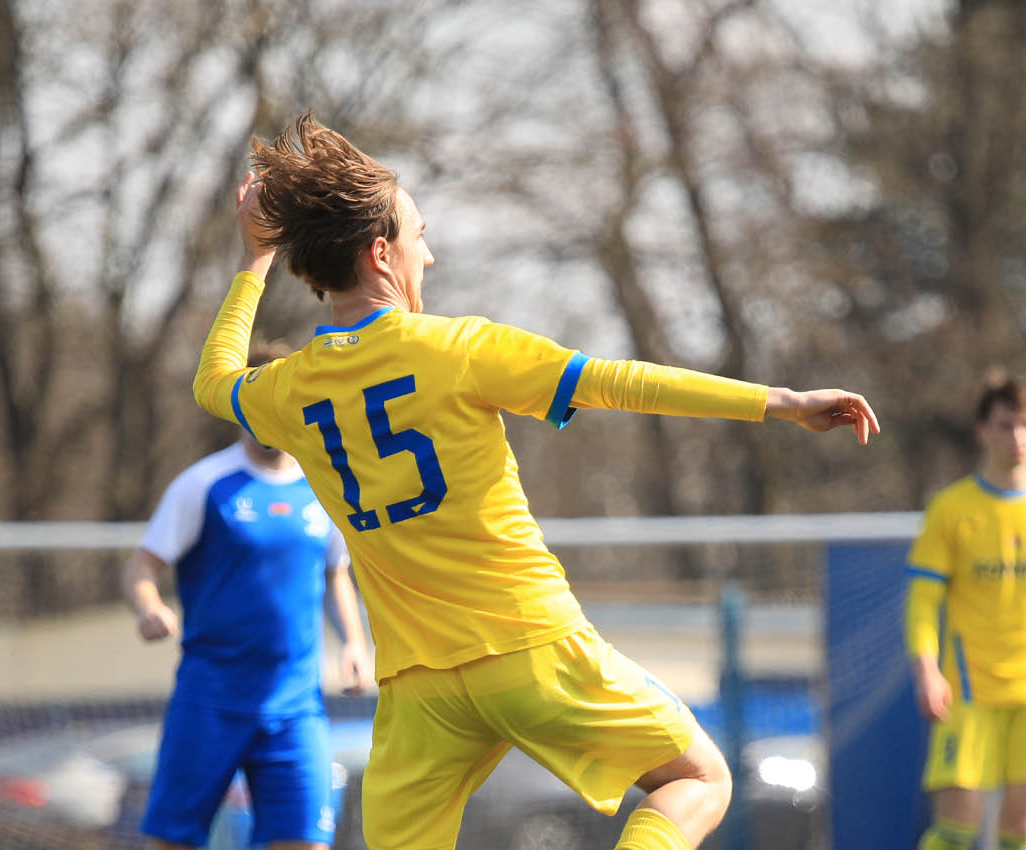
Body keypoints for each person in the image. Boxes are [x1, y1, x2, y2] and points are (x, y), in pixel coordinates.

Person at [190, 112, 881, 850]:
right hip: (529, 648)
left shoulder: (287, 391)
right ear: (380, 251)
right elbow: (620, 382)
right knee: (698, 780)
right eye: (421, 236)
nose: (434, 254)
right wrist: (779, 402)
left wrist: (254, 260)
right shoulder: (459, 348)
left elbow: (213, 381)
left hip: (418, 690)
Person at [126, 340, 369, 850]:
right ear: (240, 403)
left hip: (296, 704)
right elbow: (142, 565)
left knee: (304, 841)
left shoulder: (323, 487)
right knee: (173, 840)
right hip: (210, 700)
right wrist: (150, 607)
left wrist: (354, 643)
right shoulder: (205, 484)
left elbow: (335, 575)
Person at [906, 377, 1026, 850]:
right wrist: (927, 672)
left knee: (1022, 834)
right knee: (955, 832)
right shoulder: (951, 509)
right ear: (983, 432)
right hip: (969, 692)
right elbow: (923, 601)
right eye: (1005, 425)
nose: (1016, 437)